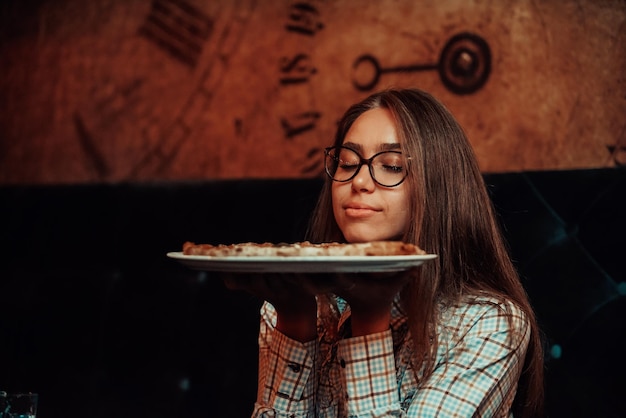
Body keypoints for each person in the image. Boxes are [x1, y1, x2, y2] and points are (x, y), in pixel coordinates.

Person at [224, 88, 544, 417]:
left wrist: (370, 317)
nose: (359, 180)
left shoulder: (487, 325)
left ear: (439, 185)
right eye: (347, 163)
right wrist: (293, 321)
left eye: (391, 166)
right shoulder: (289, 305)